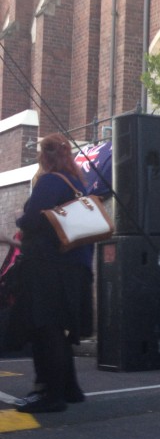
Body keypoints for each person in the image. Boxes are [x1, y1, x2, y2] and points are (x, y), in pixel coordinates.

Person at [14, 134, 93, 413]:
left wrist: (19, 219)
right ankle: (70, 389)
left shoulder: (50, 181)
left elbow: (31, 220)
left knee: (46, 328)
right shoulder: (77, 185)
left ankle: (52, 394)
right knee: (58, 329)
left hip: (50, 268)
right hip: (75, 268)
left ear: (44, 157)